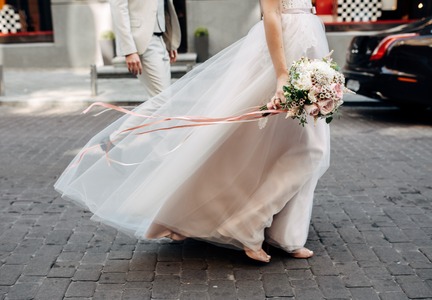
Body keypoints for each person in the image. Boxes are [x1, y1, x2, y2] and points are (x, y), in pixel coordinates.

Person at [55, 0, 330, 263]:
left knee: (292, 145)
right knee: (295, 147)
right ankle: (246, 223)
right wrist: (281, 74)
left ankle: (285, 235)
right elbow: (270, 14)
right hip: (282, 53)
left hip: (306, 47)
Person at [110, 0, 181, 98]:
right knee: (162, 100)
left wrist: (170, 41)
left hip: (161, 38)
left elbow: (163, 6)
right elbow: (118, 8)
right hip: (142, 40)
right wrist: (129, 50)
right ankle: (131, 115)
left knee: (164, 99)